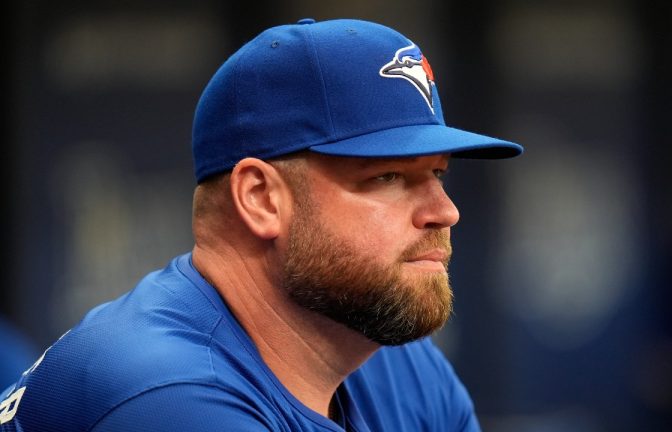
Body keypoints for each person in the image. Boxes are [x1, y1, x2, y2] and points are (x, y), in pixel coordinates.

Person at [0, 18, 522, 431]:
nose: (445, 211)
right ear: (261, 198)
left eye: (437, 174)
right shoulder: (165, 394)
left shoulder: (398, 367)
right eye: (388, 175)